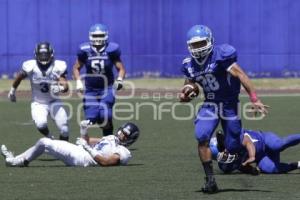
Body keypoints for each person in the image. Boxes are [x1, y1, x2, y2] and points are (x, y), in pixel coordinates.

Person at [179, 25, 269, 193]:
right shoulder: (188, 64)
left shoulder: (222, 55)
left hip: (229, 105)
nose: (198, 49)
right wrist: (185, 95)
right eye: (195, 45)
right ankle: (210, 180)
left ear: (210, 41)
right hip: (210, 104)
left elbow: (241, 75)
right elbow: (189, 86)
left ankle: (231, 151)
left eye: (201, 44)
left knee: (233, 146)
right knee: (202, 135)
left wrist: (255, 99)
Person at [1, 122, 139, 167]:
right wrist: (83, 130)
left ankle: (15, 161)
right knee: (44, 143)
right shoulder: (110, 137)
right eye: (122, 132)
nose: (121, 135)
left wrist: (87, 149)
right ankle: (16, 160)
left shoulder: (124, 152)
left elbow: (105, 162)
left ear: (130, 139)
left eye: (125, 135)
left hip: (83, 159)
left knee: (45, 143)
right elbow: (88, 140)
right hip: (81, 152)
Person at [7, 42, 69, 140]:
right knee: (41, 124)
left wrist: (60, 88)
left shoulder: (58, 66)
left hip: (54, 101)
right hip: (38, 103)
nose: (44, 57)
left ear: (51, 54)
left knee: (64, 130)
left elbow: (65, 86)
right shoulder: (30, 66)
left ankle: (63, 151)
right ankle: (51, 139)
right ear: (36, 55)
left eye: (46, 54)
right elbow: (19, 78)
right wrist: (12, 91)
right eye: (41, 55)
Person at [73, 23, 126, 137]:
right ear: (90, 36)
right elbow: (76, 68)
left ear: (106, 36)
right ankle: (90, 141)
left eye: (100, 36)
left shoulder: (111, 49)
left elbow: (121, 69)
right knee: (92, 117)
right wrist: (78, 81)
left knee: (105, 115)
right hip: (90, 89)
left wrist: (120, 80)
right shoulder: (85, 50)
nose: (98, 39)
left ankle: (109, 140)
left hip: (107, 87)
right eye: (95, 36)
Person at [210, 130, 300, 174]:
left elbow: (247, 141)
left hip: (264, 139)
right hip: (260, 157)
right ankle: (298, 164)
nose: (225, 154)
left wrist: (252, 156)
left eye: (224, 151)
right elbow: (240, 166)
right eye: (223, 156)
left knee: (277, 146)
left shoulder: (233, 139)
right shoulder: (225, 166)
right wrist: (252, 170)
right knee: (271, 169)